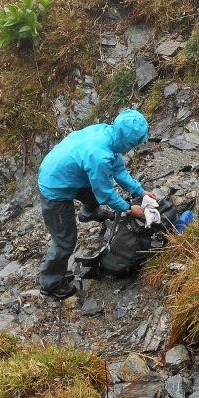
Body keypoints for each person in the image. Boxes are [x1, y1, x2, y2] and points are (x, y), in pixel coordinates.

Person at [37, 109, 154, 298]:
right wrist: (129, 209)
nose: (134, 147)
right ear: (127, 140)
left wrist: (139, 191)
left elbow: (119, 170)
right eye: (134, 143)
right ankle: (50, 284)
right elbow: (106, 193)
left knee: (91, 191)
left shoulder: (108, 134)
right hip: (55, 188)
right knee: (65, 242)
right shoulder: (99, 155)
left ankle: (90, 212)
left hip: (68, 172)